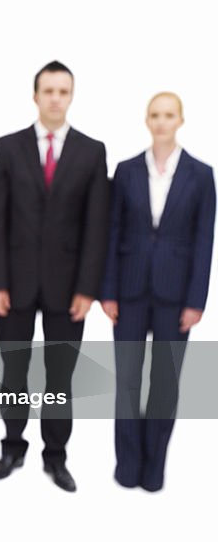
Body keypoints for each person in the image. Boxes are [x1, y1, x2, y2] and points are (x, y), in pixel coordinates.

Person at [0, 61, 109, 492]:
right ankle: (12, 448)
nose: (55, 97)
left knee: (60, 379)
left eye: (63, 91)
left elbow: (97, 227)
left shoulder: (92, 152)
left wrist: (87, 289)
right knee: (13, 373)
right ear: (35, 96)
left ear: (71, 96)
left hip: (68, 289)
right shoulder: (8, 147)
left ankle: (55, 457)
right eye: (48, 90)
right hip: (13, 286)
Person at [101, 92, 214, 492]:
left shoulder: (201, 175)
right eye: (155, 115)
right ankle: (127, 468)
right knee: (128, 380)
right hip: (129, 292)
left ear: (180, 119)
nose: (162, 121)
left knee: (165, 383)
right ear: (146, 120)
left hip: (175, 295)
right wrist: (108, 291)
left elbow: (205, 241)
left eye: (169, 115)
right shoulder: (127, 170)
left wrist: (196, 300)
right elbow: (112, 233)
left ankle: (153, 471)